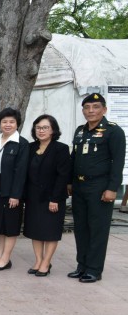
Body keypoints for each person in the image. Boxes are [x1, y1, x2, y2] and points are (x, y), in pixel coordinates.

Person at [68, 93, 126, 283]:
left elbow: (118, 162)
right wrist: (69, 182)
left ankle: (94, 269)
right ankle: (82, 265)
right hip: (79, 186)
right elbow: (74, 158)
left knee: (97, 229)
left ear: (104, 110)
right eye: (87, 107)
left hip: (100, 187)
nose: (90, 111)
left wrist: (112, 188)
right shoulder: (80, 131)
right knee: (81, 227)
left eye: (95, 107)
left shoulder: (113, 131)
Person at [23, 114, 71, 277]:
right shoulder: (30, 147)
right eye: (38, 127)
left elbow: (63, 176)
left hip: (52, 198)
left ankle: (46, 262)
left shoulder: (61, 149)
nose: (41, 130)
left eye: (45, 127)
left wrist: (55, 198)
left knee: (50, 231)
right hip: (33, 197)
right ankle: (38, 260)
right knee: (35, 230)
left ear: (53, 130)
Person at [0, 107, 29, 271]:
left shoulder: (22, 144)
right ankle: (0, 256)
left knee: (10, 226)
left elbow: (21, 172)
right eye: (4, 121)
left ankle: (6, 258)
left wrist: (16, 195)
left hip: (12, 190)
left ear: (17, 124)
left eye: (12, 122)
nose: (8, 124)